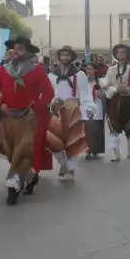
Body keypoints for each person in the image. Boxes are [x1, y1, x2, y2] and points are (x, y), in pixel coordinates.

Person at [0, 37, 54, 205]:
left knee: (23, 152)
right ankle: (30, 177)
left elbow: (48, 93)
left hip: (28, 118)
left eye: (21, 49)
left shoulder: (37, 71)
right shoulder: (3, 70)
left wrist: (36, 107)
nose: (16, 52)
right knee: (11, 152)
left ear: (28, 53)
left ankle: (13, 187)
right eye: (14, 49)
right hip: (8, 119)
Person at [46, 45, 95, 180]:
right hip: (56, 111)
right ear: (59, 57)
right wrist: (52, 101)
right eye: (63, 55)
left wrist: (89, 108)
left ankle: (70, 169)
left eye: (67, 55)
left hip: (73, 109)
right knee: (52, 140)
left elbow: (86, 94)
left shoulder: (79, 75)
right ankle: (64, 164)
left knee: (73, 141)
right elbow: (48, 93)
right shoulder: (51, 75)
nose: (65, 57)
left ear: (72, 57)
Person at [101, 44, 130, 160]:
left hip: (127, 101)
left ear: (127, 54)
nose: (120, 55)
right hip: (114, 100)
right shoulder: (111, 69)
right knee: (113, 127)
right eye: (118, 52)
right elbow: (107, 84)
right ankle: (115, 152)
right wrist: (113, 88)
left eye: (122, 52)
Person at [83, 62, 106, 157]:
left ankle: (96, 149)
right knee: (88, 129)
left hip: (97, 106)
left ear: (95, 70)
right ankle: (88, 150)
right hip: (87, 106)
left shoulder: (100, 81)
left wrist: (100, 94)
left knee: (97, 128)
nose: (89, 71)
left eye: (91, 69)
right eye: (87, 69)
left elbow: (105, 93)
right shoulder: (83, 81)